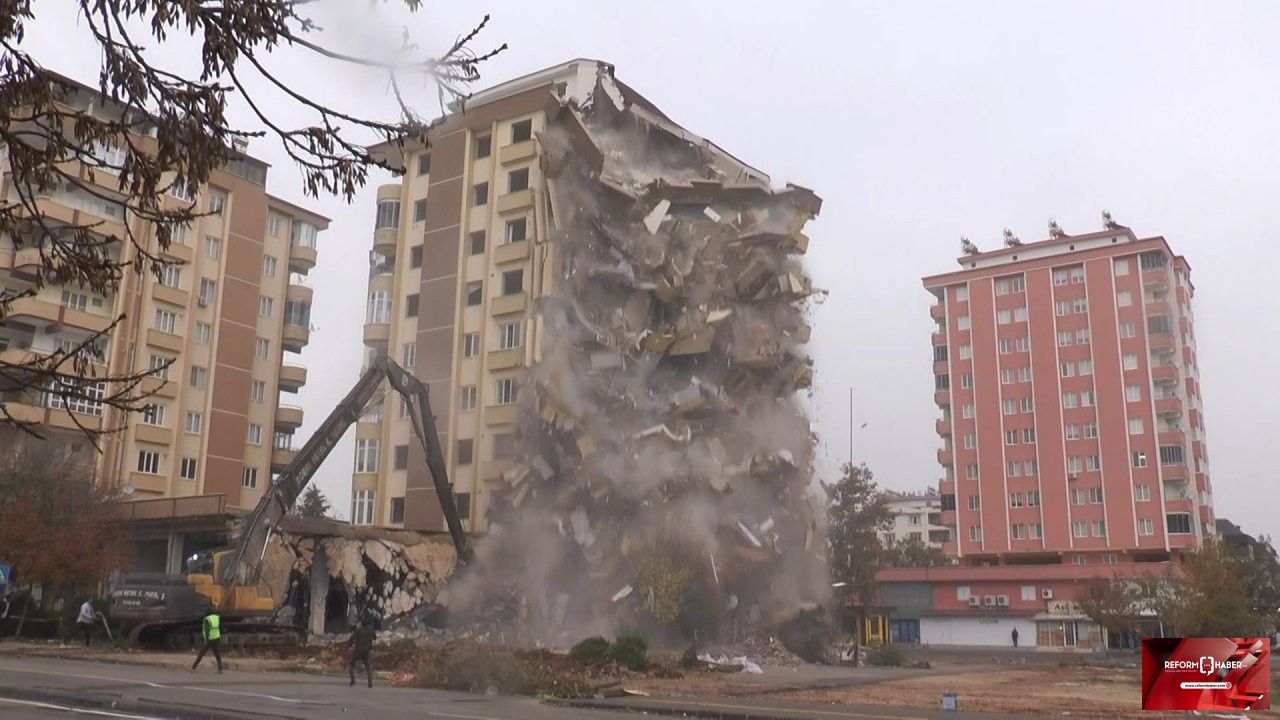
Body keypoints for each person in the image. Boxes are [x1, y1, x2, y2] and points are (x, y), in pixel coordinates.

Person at [191, 609, 223, 673]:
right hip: (217, 637)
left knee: (202, 653)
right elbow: (219, 627)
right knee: (217, 654)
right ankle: (220, 669)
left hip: (210, 638)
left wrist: (206, 639)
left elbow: (206, 630)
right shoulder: (217, 617)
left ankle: (193, 667)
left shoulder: (207, 619)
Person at [348, 617, 375, 688]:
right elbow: (375, 637)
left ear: (361, 623)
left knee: (351, 664)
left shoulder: (358, 629)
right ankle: (370, 682)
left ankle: (353, 680)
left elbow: (352, 638)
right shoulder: (371, 629)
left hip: (358, 650)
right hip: (367, 650)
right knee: (368, 666)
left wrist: (349, 645)